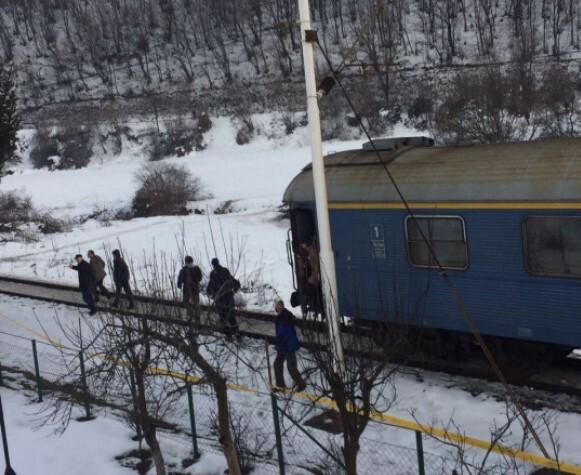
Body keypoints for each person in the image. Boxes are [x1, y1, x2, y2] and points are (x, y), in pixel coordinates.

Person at [273, 300, 306, 392]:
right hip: (282, 345)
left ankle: (301, 384)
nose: (277, 308)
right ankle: (280, 385)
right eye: (276, 306)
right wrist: (277, 340)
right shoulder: (278, 317)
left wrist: (281, 340)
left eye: (279, 306)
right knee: (277, 365)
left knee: (291, 367)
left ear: (282, 306)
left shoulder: (286, 316)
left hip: (289, 345)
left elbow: (288, 332)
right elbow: (279, 332)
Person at [206, 258, 239, 337]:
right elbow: (232, 281)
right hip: (225, 300)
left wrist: (209, 292)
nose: (214, 266)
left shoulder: (218, 273)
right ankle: (234, 334)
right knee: (228, 317)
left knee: (226, 317)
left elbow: (211, 285)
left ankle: (232, 334)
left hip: (223, 300)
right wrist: (235, 287)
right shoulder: (221, 272)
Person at [177, 256, 203, 323]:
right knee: (192, 304)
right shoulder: (191, 269)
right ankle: (194, 318)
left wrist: (180, 284)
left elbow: (199, 278)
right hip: (191, 290)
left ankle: (194, 318)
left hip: (190, 290)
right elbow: (200, 278)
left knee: (191, 303)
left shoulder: (188, 269)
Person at [301, 240, 322, 315]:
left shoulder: (313, 252)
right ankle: (314, 304)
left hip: (316, 276)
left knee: (311, 286)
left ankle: (315, 305)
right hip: (315, 276)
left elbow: (316, 267)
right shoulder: (311, 253)